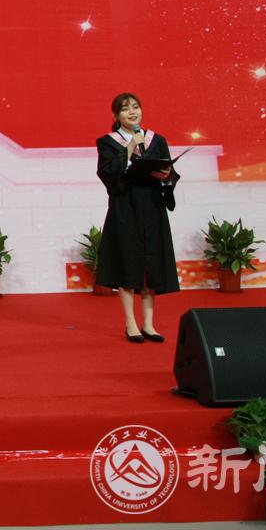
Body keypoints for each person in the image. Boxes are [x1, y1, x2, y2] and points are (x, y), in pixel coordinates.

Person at [94, 92, 180, 343]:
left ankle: (149, 324)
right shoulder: (108, 143)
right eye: (125, 109)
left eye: (135, 107)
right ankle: (130, 323)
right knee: (127, 262)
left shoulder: (157, 140)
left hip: (152, 207)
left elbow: (170, 173)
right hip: (125, 207)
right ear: (116, 116)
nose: (132, 112)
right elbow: (107, 174)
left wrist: (166, 177)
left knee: (151, 264)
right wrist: (129, 150)